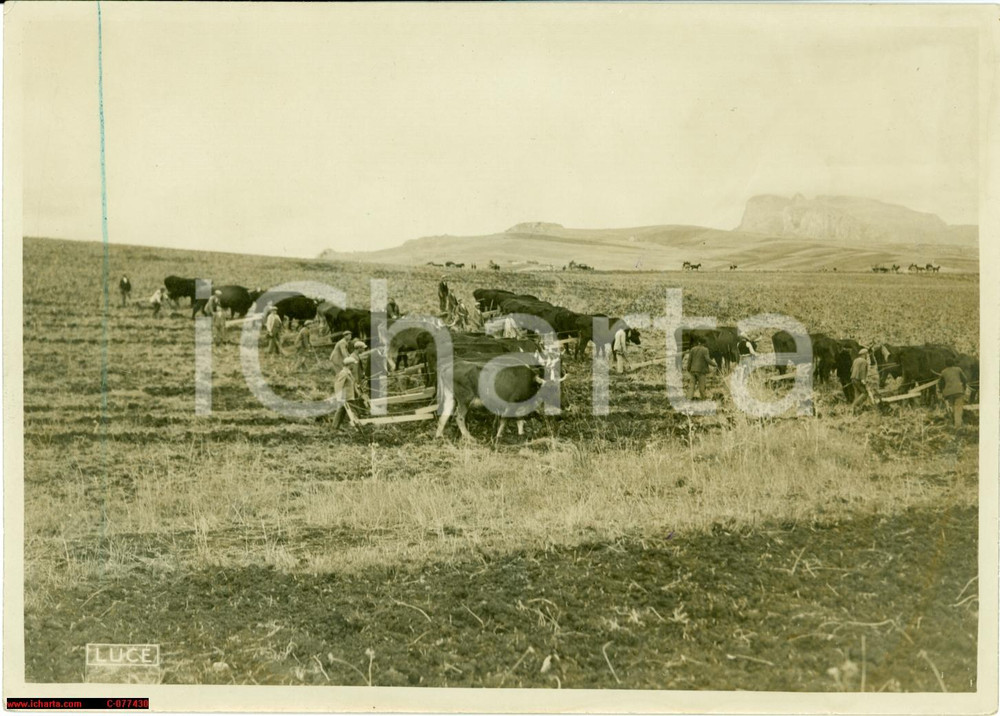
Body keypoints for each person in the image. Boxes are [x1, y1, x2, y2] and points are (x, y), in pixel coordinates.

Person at [938, 357, 969, 430]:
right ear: (953, 363)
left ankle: (952, 423)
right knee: (958, 408)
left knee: (952, 408)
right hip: (958, 392)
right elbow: (965, 379)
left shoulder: (943, 372)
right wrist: (963, 388)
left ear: (945, 364)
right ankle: (958, 426)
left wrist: (942, 391)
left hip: (948, 393)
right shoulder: (958, 369)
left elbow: (940, 383)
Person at [331, 354, 359, 431]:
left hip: (349, 396)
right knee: (352, 412)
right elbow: (338, 385)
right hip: (346, 397)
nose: (354, 366)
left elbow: (352, 384)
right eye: (353, 364)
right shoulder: (343, 373)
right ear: (349, 365)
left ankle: (335, 427)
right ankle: (358, 427)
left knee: (341, 412)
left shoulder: (348, 372)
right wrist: (339, 398)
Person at [850, 347, 871, 412]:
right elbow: (862, 371)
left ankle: (856, 410)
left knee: (857, 395)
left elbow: (851, 370)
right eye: (867, 355)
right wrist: (863, 380)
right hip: (858, 379)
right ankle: (853, 406)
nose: (867, 356)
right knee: (865, 393)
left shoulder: (855, 360)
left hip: (853, 378)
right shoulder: (864, 361)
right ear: (864, 354)